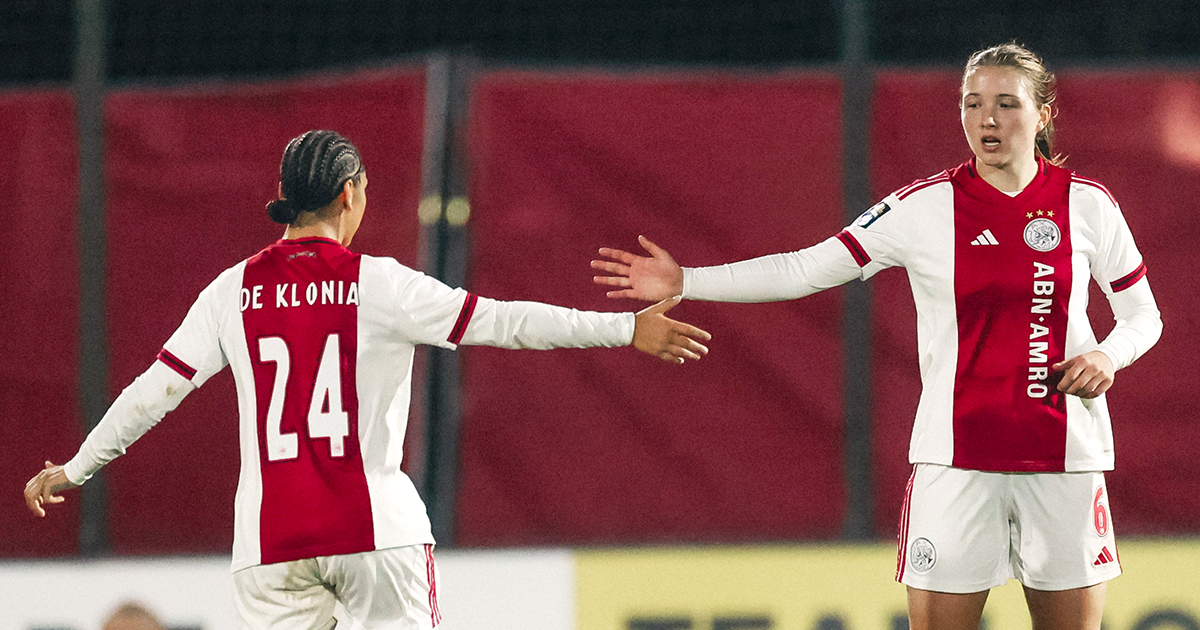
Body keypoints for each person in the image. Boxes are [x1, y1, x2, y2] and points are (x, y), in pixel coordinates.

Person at [24, 129, 711, 630]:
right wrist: (626, 328)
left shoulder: (230, 292)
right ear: (350, 195)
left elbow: (156, 390)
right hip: (376, 533)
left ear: (287, 202)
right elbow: (504, 322)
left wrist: (77, 468)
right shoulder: (378, 285)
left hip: (268, 548)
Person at [591, 43, 1161, 630]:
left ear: (1043, 114)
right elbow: (805, 268)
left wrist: (1107, 355)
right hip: (954, 467)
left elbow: (1144, 315)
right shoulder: (923, 207)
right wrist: (687, 279)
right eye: (971, 103)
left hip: (1065, 463)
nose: (986, 119)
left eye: (1006, 104)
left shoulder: (1088, 205)